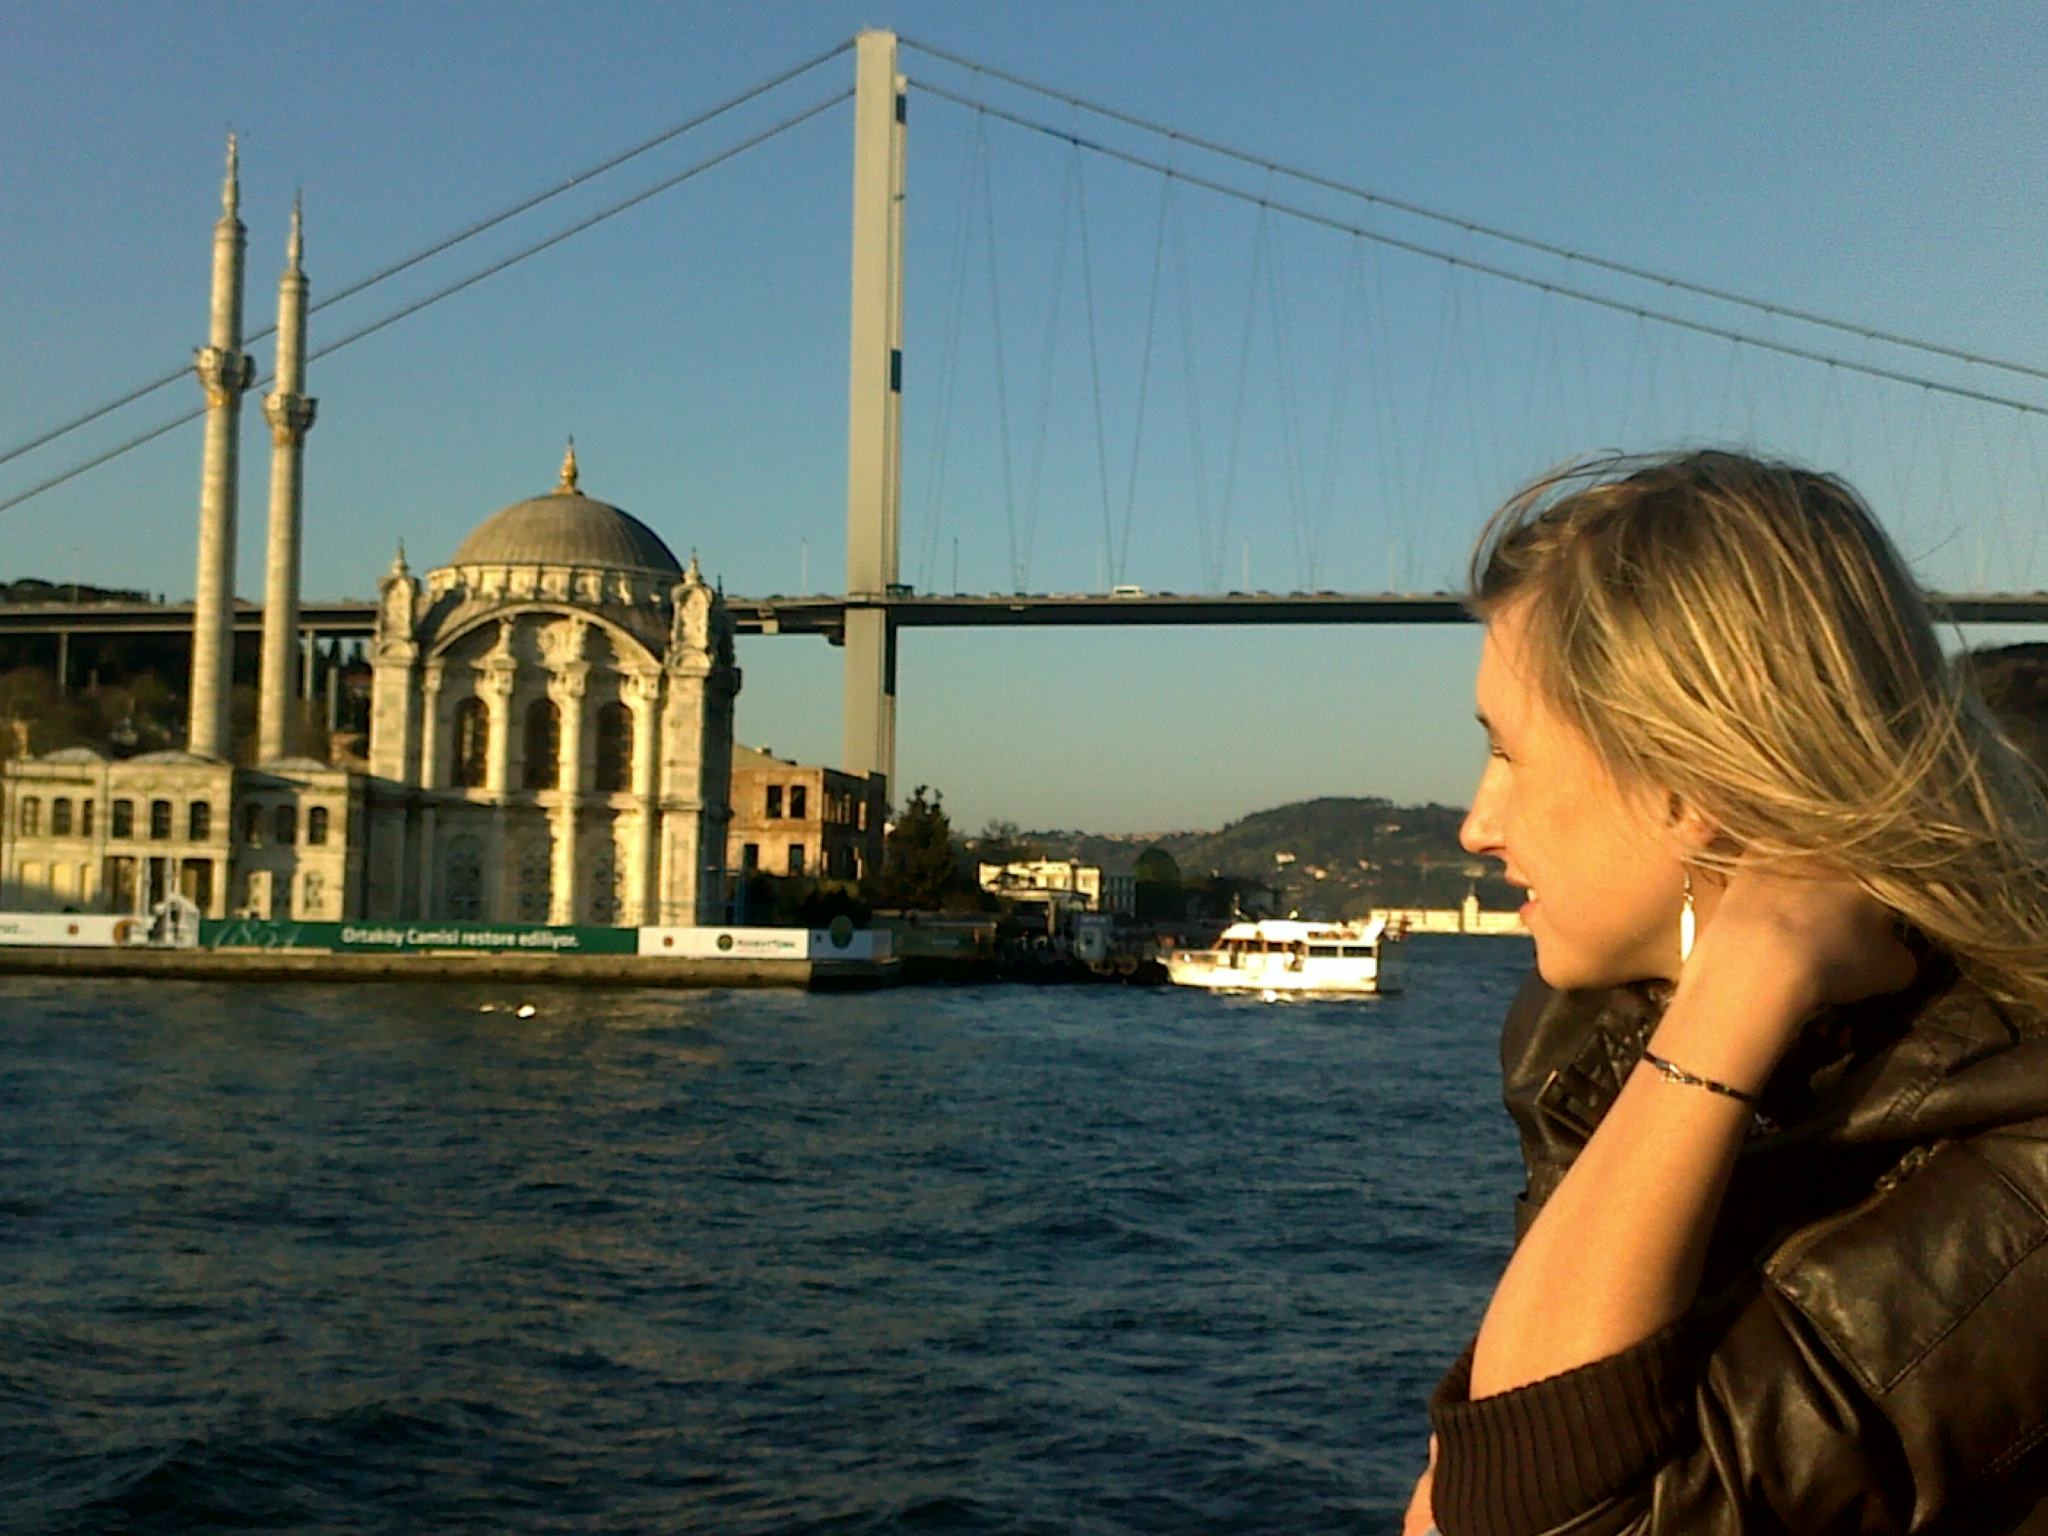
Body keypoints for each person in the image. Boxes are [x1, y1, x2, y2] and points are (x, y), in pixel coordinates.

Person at [1407, 451, 2048, 1535]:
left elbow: (1529, 1509)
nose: (1477, 825)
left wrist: (1745, 982)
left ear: (1687, 783)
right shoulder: (1588, 1033)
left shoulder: (2028, 1159)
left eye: (1509, 754)